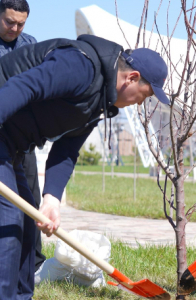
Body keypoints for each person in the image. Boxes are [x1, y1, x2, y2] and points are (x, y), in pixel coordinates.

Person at [0, 34, 169, 299]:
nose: (140, 103)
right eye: (145, 96)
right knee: (9, 217)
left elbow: (67, 149)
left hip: (13, 143)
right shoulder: (80, 66)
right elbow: (24, 86)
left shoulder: (99, 100)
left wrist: (52, 199)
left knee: (27, 221)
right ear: (132, 78)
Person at [0, 0, 47, 274]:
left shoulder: (30, 44)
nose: (15, 28)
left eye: (20, 23)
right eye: (9, 22)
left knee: (30, 201)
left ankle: (33, 264)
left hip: (23, 135)